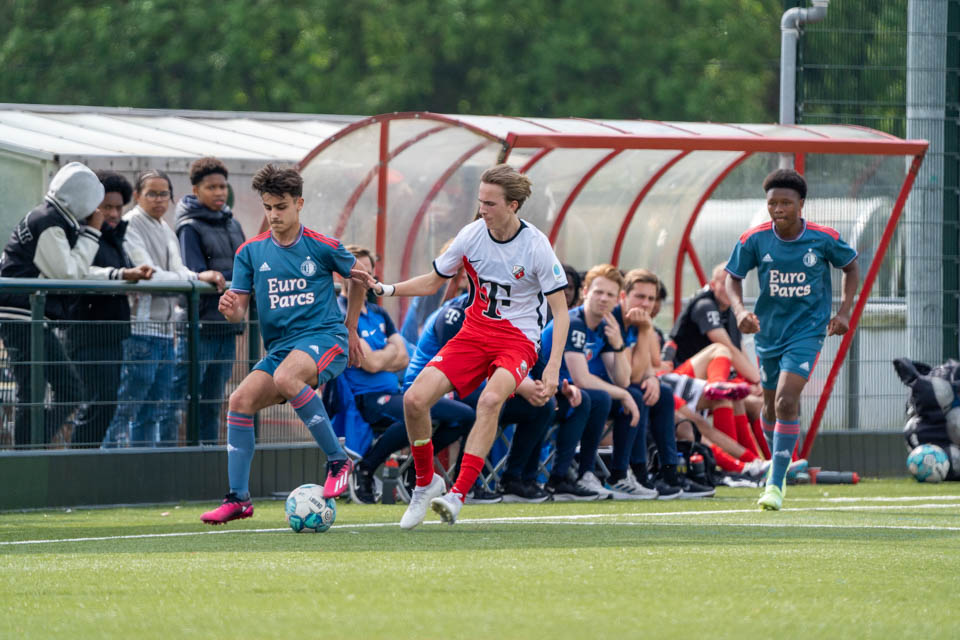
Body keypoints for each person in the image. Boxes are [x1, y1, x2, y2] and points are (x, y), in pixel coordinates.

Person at [356, 164, 570, 528]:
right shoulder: (471, 235)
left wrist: (551, 369)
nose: (481, 209)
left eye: (490, 203)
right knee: (414, 400)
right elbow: (432, 282)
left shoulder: (536, 245)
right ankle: (426, 483)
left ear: (513, 205)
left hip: (518, 339)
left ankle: (457, 494)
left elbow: (561, 313)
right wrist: (386, 288)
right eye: (480, 201)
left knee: (490, 401)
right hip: (474, 333)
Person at [201, 164, 366, 525]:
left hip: (325, 338)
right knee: (240, 400)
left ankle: (339, 460)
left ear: (299, 204)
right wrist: (230, 310)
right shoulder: (250, 252)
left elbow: (360, 277)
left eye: (281, 207)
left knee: (288, 377)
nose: (274, 215)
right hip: (282, 350)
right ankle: (239, 499)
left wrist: (351, 327)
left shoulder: (322, 246)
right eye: (268, 207)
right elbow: (238, 312)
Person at [725, 168, 860, 510]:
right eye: (773, 203)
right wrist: (739, 311)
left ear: (801, 204)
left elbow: (851, 266)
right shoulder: (754, 239)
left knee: (787, 400)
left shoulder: (823, 238)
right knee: (770, 405)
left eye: (786, 202)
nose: (778, 209)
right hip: (769, 333)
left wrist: (844, 312)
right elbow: (732, 277)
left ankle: (775, 482)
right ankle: (781, 464)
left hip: (808, 331)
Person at [342, 245, 474, 505]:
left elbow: (403, 356)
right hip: (367, 398)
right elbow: (369, 363)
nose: (364, 278)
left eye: (368, 272)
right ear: (342, 274)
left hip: (394, 393)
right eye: (358, 271)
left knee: (464, 416)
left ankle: (415, 472)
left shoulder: (379, 313)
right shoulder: (341, 314)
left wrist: (382, 357)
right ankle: (365, 469)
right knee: (413, 414)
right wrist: (387, 356)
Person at [103, 170, 226, 448]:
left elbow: (176, 271)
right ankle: (110, 461)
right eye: (152, 194)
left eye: (163, 194)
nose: (159, 200)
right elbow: (151, 275)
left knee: (154, 409)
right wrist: (195, 278)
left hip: (165, 332)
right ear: (137, 196)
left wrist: (192, 277)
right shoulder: (130, 224)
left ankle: (144, 466)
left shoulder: (165, 228)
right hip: (140, 330)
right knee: (126, 408)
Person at [0, 162, 104, 446]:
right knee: (38, 392)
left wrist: (117, 274)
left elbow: (68, 269)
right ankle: (28, 453)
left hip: (26, 315)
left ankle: (33, 445)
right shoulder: (50, 222)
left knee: (57, 389)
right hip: (23, 315)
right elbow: (68, 274)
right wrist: (93, 233)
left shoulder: (48, 216)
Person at [65, 170, 153, 446]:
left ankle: (86, 460)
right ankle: (76, 462)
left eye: (118, 207)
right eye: (106, 207)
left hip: (113, 333)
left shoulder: (117, 237)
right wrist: (121, 275)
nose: (114, 214)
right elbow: (78, 273)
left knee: (105, 404)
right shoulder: (81, 235)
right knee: (95, 403)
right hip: (87, 331)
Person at [615, 268, 713, 498]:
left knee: (664, 393)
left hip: (626, 387)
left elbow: (651, 365)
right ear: (624, 296)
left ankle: (669, 474)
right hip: (599, 390)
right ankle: (641, 474)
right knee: (638, 394)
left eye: (651, 298)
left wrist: (651, 377)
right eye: (640, 296)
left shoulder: (641, 321)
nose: (646, 303)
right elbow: (631, 376)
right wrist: (645, 330)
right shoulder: (617, 321)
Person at [174, 157, 246, 443]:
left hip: (227, 326)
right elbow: (194, 272)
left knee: (214, 400)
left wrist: (230, 277)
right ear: (196, 190)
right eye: (211, 187)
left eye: (222, 187)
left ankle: (209, 454)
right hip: (199, 325)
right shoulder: (189, 227)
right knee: (183, 396)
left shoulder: (233, 224)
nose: (219, 192)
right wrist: (232, 277)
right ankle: (175, 455)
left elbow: (247, 266)